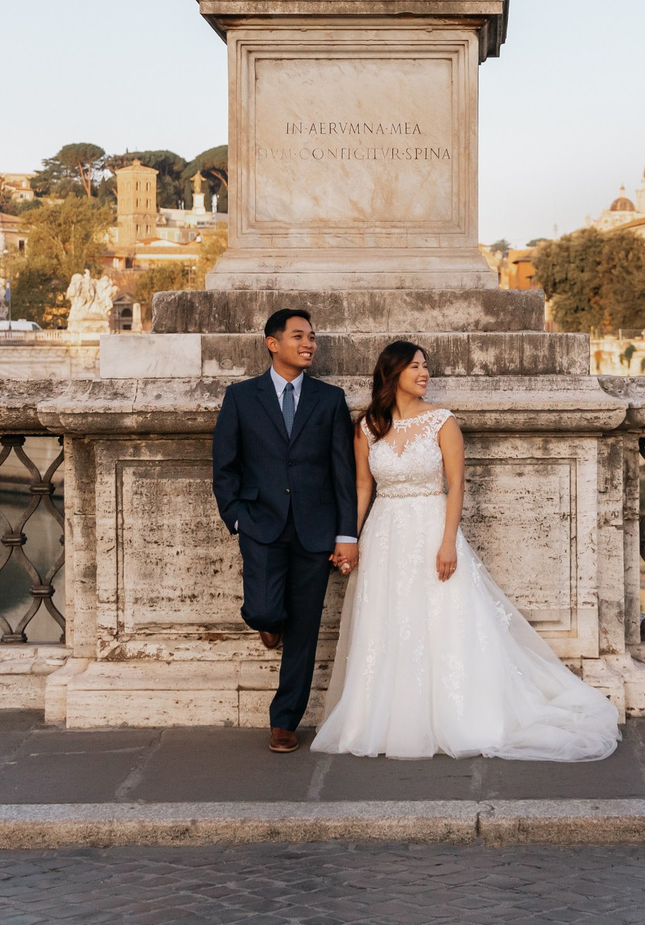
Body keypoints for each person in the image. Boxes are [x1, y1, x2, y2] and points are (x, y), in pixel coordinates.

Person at [312, 340, 620, 761]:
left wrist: (447, 542)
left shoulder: (442, 422)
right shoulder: (368, 427)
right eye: (415, 367)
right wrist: (348, 537)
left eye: (426, 367)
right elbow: (363, 486)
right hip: (383, 534)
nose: (424, 374)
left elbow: (456, 486)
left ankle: (457, 715)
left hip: (430, 527)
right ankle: (383, 719)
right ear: (392, 373)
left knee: (443, 619)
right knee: (387, 621)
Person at [209, 307, 358, 753]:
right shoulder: (241, 396)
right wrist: (235, 516)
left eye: (312, 337)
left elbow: (342, 472)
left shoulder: (329, 399)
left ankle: (284, 720)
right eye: (299, 336)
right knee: (262, 610)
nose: (309, 344)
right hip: (260, 523)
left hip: (316, 530)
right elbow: (225, 465)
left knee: (306, 628)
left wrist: (345, 533)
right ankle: (268, 623)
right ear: (273, 343)